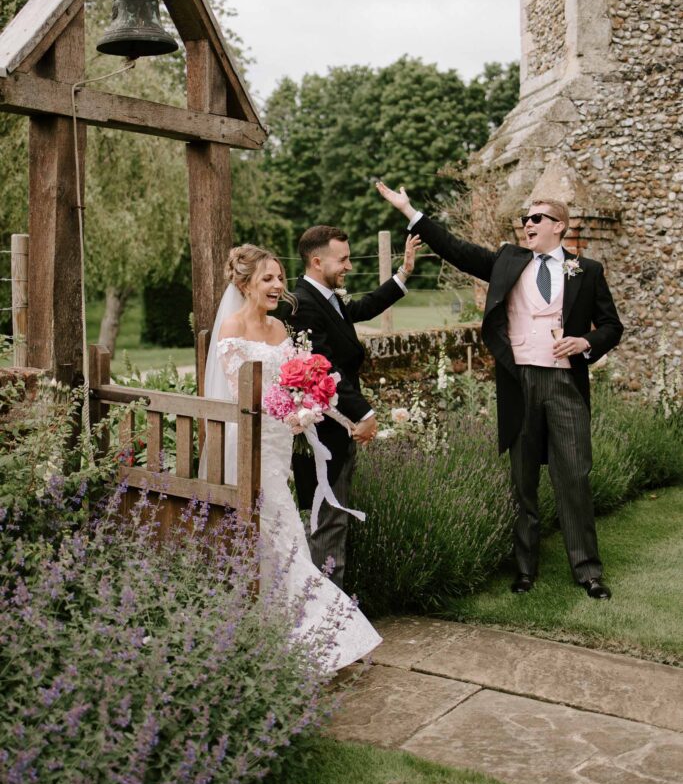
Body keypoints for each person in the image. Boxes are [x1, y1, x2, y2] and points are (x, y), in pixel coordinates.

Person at [376, 181, 623, 600]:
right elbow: (456, 248)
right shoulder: (509, 261)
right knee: (522, 479)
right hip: (520, 381)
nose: (528, 223)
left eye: (537, 218)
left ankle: (587, 571)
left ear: (560, 226)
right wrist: (409, 211)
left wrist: (586, 343)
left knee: (574, 477)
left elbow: (613, 326)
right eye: (525, 218)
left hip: (566, 384)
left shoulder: (587, 270)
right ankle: (525, 570)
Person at [201, 243, 382, 670]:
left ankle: (279, 636)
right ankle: (309, 639)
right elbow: (242, 394)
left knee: (278, 537)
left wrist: (331, 413)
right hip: (249, 448)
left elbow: (308, 383)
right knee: (278, 538)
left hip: (279, 449)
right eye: (267, 278)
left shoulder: (282, 331)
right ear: (244, 283)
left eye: (280, 277)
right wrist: (294, 409)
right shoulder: (231, 328)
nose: (278, 286)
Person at [290, 226, 421, 590]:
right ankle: (329, 623)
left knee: (334, 518)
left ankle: (332, 614)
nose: (348, 265)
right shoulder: (304, 305)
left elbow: (360, 309)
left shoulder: (327, 297)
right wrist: (364, 414)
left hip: (337, 428)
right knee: (328, 522)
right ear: (317, 262)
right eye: (342, 259)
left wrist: (403, 274)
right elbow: (324, 366)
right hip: (323, 431)